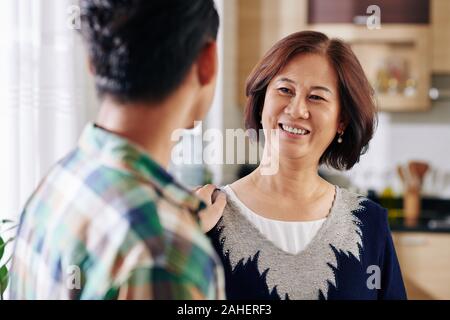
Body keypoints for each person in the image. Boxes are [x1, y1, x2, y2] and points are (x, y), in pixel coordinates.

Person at [10, 0, 227, 300]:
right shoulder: (167, 256)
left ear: (92, 61)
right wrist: (170, 235)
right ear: (208, 63)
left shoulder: (58, 184)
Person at [205, 31, 407, 300]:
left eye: (317, 97)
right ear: (263, 99)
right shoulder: (207, 219)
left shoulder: (369, 224)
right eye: (285, 90)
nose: (296, 109)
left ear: (341, 121)